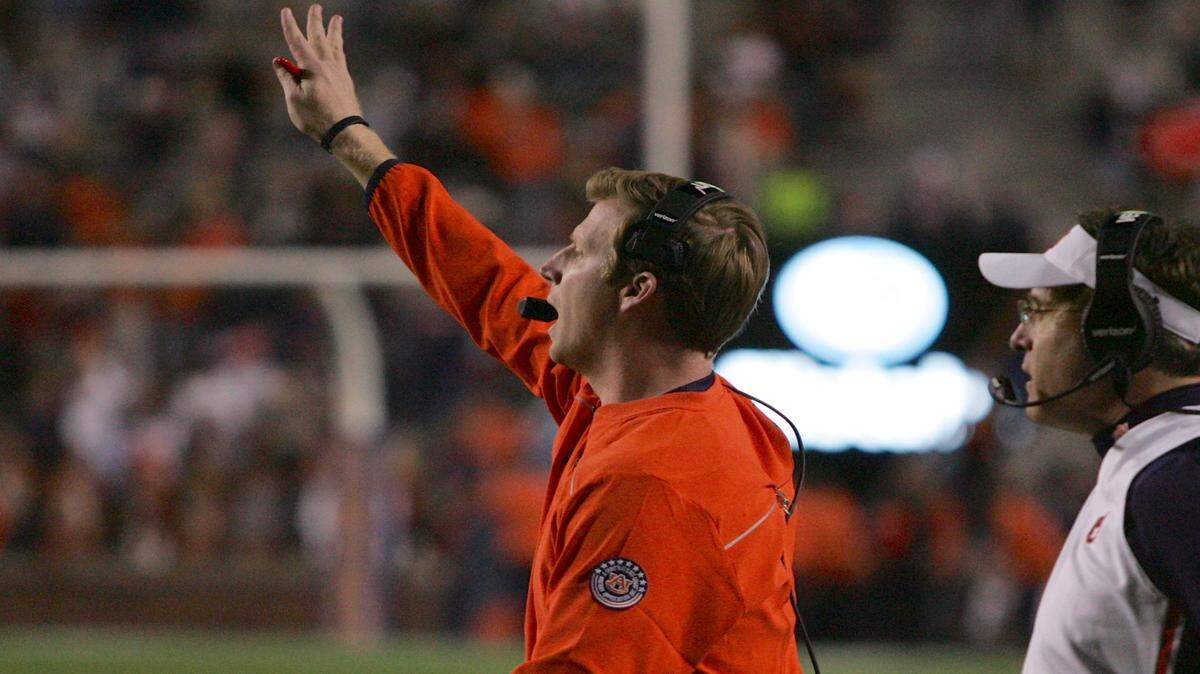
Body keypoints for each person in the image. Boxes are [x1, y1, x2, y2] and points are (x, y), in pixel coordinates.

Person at [271, 6, 803, 672]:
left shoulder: (647, 485)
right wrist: (349, 136)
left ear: (636, 291)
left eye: (579, 251)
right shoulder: (653, 402)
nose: (550, 267)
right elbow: (488, 283)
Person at [978, 208, 1200, 673]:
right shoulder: (1157, 459)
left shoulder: (1178, 477)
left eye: (1037, 310)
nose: (1019, 337)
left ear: (1116, 327)